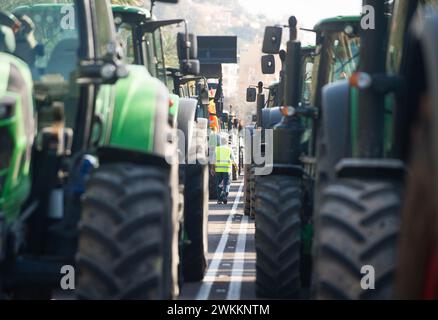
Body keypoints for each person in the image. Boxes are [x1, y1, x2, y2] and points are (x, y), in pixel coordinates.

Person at [212, 134, 236, 204]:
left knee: (219, 184)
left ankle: (219, 199)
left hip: (218, 170)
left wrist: (212, 169)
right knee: (226, 184)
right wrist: (235, 167)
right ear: (226, 142)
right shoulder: (229, 149)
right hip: (227, 169)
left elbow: (213, 160)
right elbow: (233, 159)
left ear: (221, 142)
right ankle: (225, 196)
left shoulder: (217, 149)